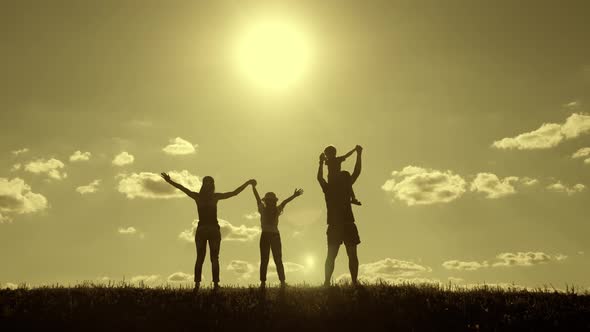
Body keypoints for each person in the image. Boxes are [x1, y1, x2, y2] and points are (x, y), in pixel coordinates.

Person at [161, 172, 255, 291]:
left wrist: (170, 181)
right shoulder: (214, 197)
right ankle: (214, 285)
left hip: (203, 229)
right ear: (212, 186)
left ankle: (198, 285)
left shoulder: (198, 197)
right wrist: (247, 183)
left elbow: (183, 188)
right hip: (212, 229)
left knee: (200, 257)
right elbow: (234, 193)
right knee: (214, 258)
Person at [317, 145, 363, 286]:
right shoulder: (338, 185)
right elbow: (356, 172)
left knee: (337, 256)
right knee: (340, 256)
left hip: (342, 224)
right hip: (341, 225)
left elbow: (319, 177)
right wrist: (358, 154)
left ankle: (329, 283)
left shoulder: (333, 186)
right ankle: (331, 282)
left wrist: (320, 163)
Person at [251, 183, 303, 289]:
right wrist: (254, 188)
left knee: (275, 259)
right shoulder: (271, 209)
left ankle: (278, 282)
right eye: (269, 201)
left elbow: (284, 202)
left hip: (270, 235)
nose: (270, 202)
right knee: (268, 259)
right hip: (271, 235)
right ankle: (266, 283)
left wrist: (294, 196)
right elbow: (283, 202)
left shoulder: (267, 209)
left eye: (270, 201)